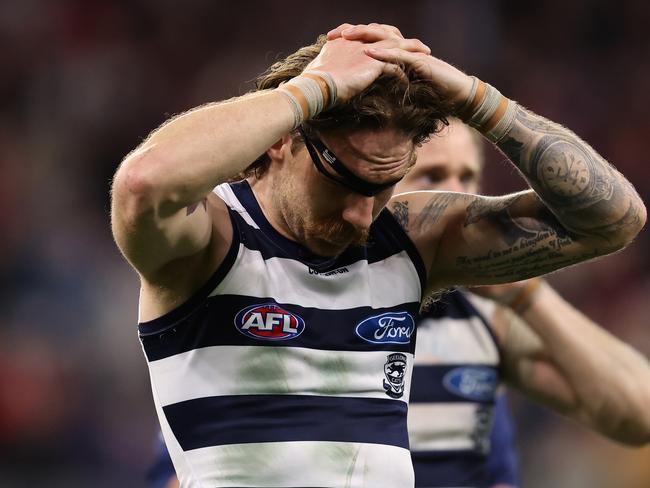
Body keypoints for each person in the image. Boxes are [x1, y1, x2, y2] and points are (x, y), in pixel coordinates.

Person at [111, 22, 646, 487]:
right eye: (345, 182)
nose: (362, 216)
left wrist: (478, 100)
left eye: (384, 186)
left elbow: (615, 219)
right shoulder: (210, 239)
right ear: (282, 141)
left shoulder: (410, 240)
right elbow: (143, 184)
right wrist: (309, 90)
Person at [397, 120, 650, 488]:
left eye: (467, 180)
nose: (459, 202)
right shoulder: (327, 306)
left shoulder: (487, 316)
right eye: (431, 178)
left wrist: (526, 294)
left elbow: (638, 413)